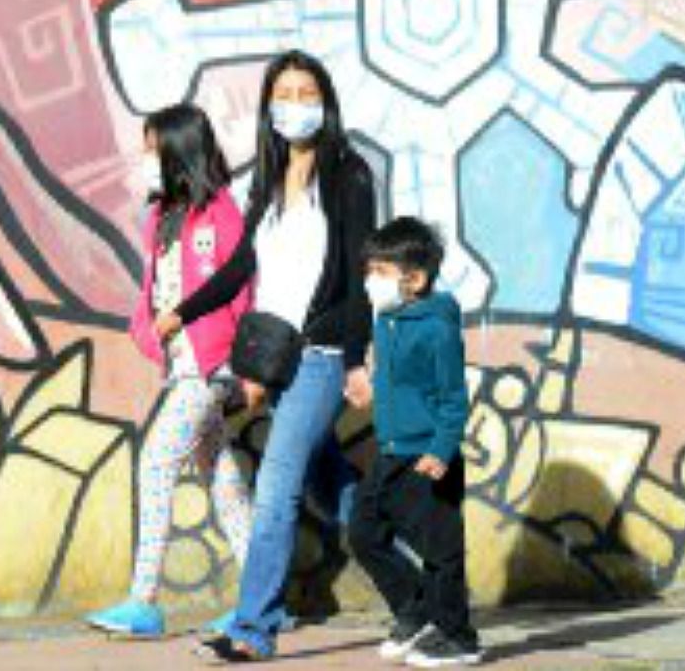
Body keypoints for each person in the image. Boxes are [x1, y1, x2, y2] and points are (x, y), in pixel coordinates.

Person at [159, 50, 376, 662]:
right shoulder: (269, 178)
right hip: (279, 359)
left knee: (276, 486)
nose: (297, 105)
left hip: (323, 352)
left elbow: (360, 275)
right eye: (286, 93)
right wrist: (185, 310)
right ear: (269, 106)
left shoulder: (348, 174)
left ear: (326, 102)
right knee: (331, 485)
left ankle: (253, 630)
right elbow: (240, 267)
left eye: (308, 93)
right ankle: (417, 575)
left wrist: (357, 357)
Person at [84, 104, 254, 639]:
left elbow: (241, 290)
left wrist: (241, 366)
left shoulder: (222, 212)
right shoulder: (162, 217)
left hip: (212, 367)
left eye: (153, 147)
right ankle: (262, 597)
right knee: (221, 478)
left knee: (156, 460)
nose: (145, 158)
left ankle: (144, 600)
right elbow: (153, 287)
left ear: (180, 150)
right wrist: (147, 331)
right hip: (182, 364)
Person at [349, 216, 483, 667]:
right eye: (371, 271)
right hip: (391, 453)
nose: (372, 281)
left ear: (416, 279)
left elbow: (452, 398)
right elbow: (400, 380)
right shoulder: (388, 319)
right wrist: (371, 387)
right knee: (364, 533)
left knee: (441, 551)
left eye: (381, 273)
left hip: (428, 457)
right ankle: (415, 608)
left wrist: (441, 450)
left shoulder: (438, 328)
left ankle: (458, 638)